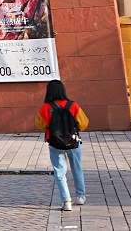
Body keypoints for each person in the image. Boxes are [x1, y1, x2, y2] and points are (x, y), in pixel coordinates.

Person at [35, 79, 89, 211]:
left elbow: (40, 124)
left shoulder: (46, 107)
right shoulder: (73, 106)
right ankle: (81, 197)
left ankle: (67, 201)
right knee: (77, 168)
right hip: (73, 142)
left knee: (59, 172)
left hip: (55, 143)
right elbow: (84, 123)